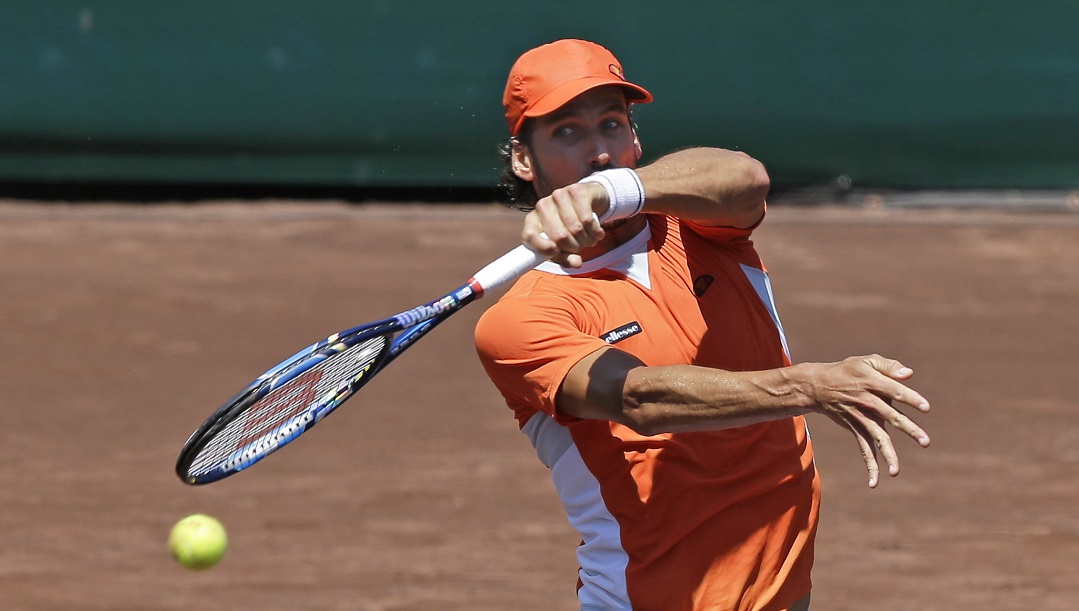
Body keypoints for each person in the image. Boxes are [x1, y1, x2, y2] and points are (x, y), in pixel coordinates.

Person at [474, 38, 931, 611]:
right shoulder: (522, 318)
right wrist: (808, 387)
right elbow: (640, 399)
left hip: (784, 593)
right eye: (567, 133)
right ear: (524, 159)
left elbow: (745, 177)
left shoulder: (698, 227)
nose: (598, 152)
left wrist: (614, 191)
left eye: (612, 125)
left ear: (635, 139)